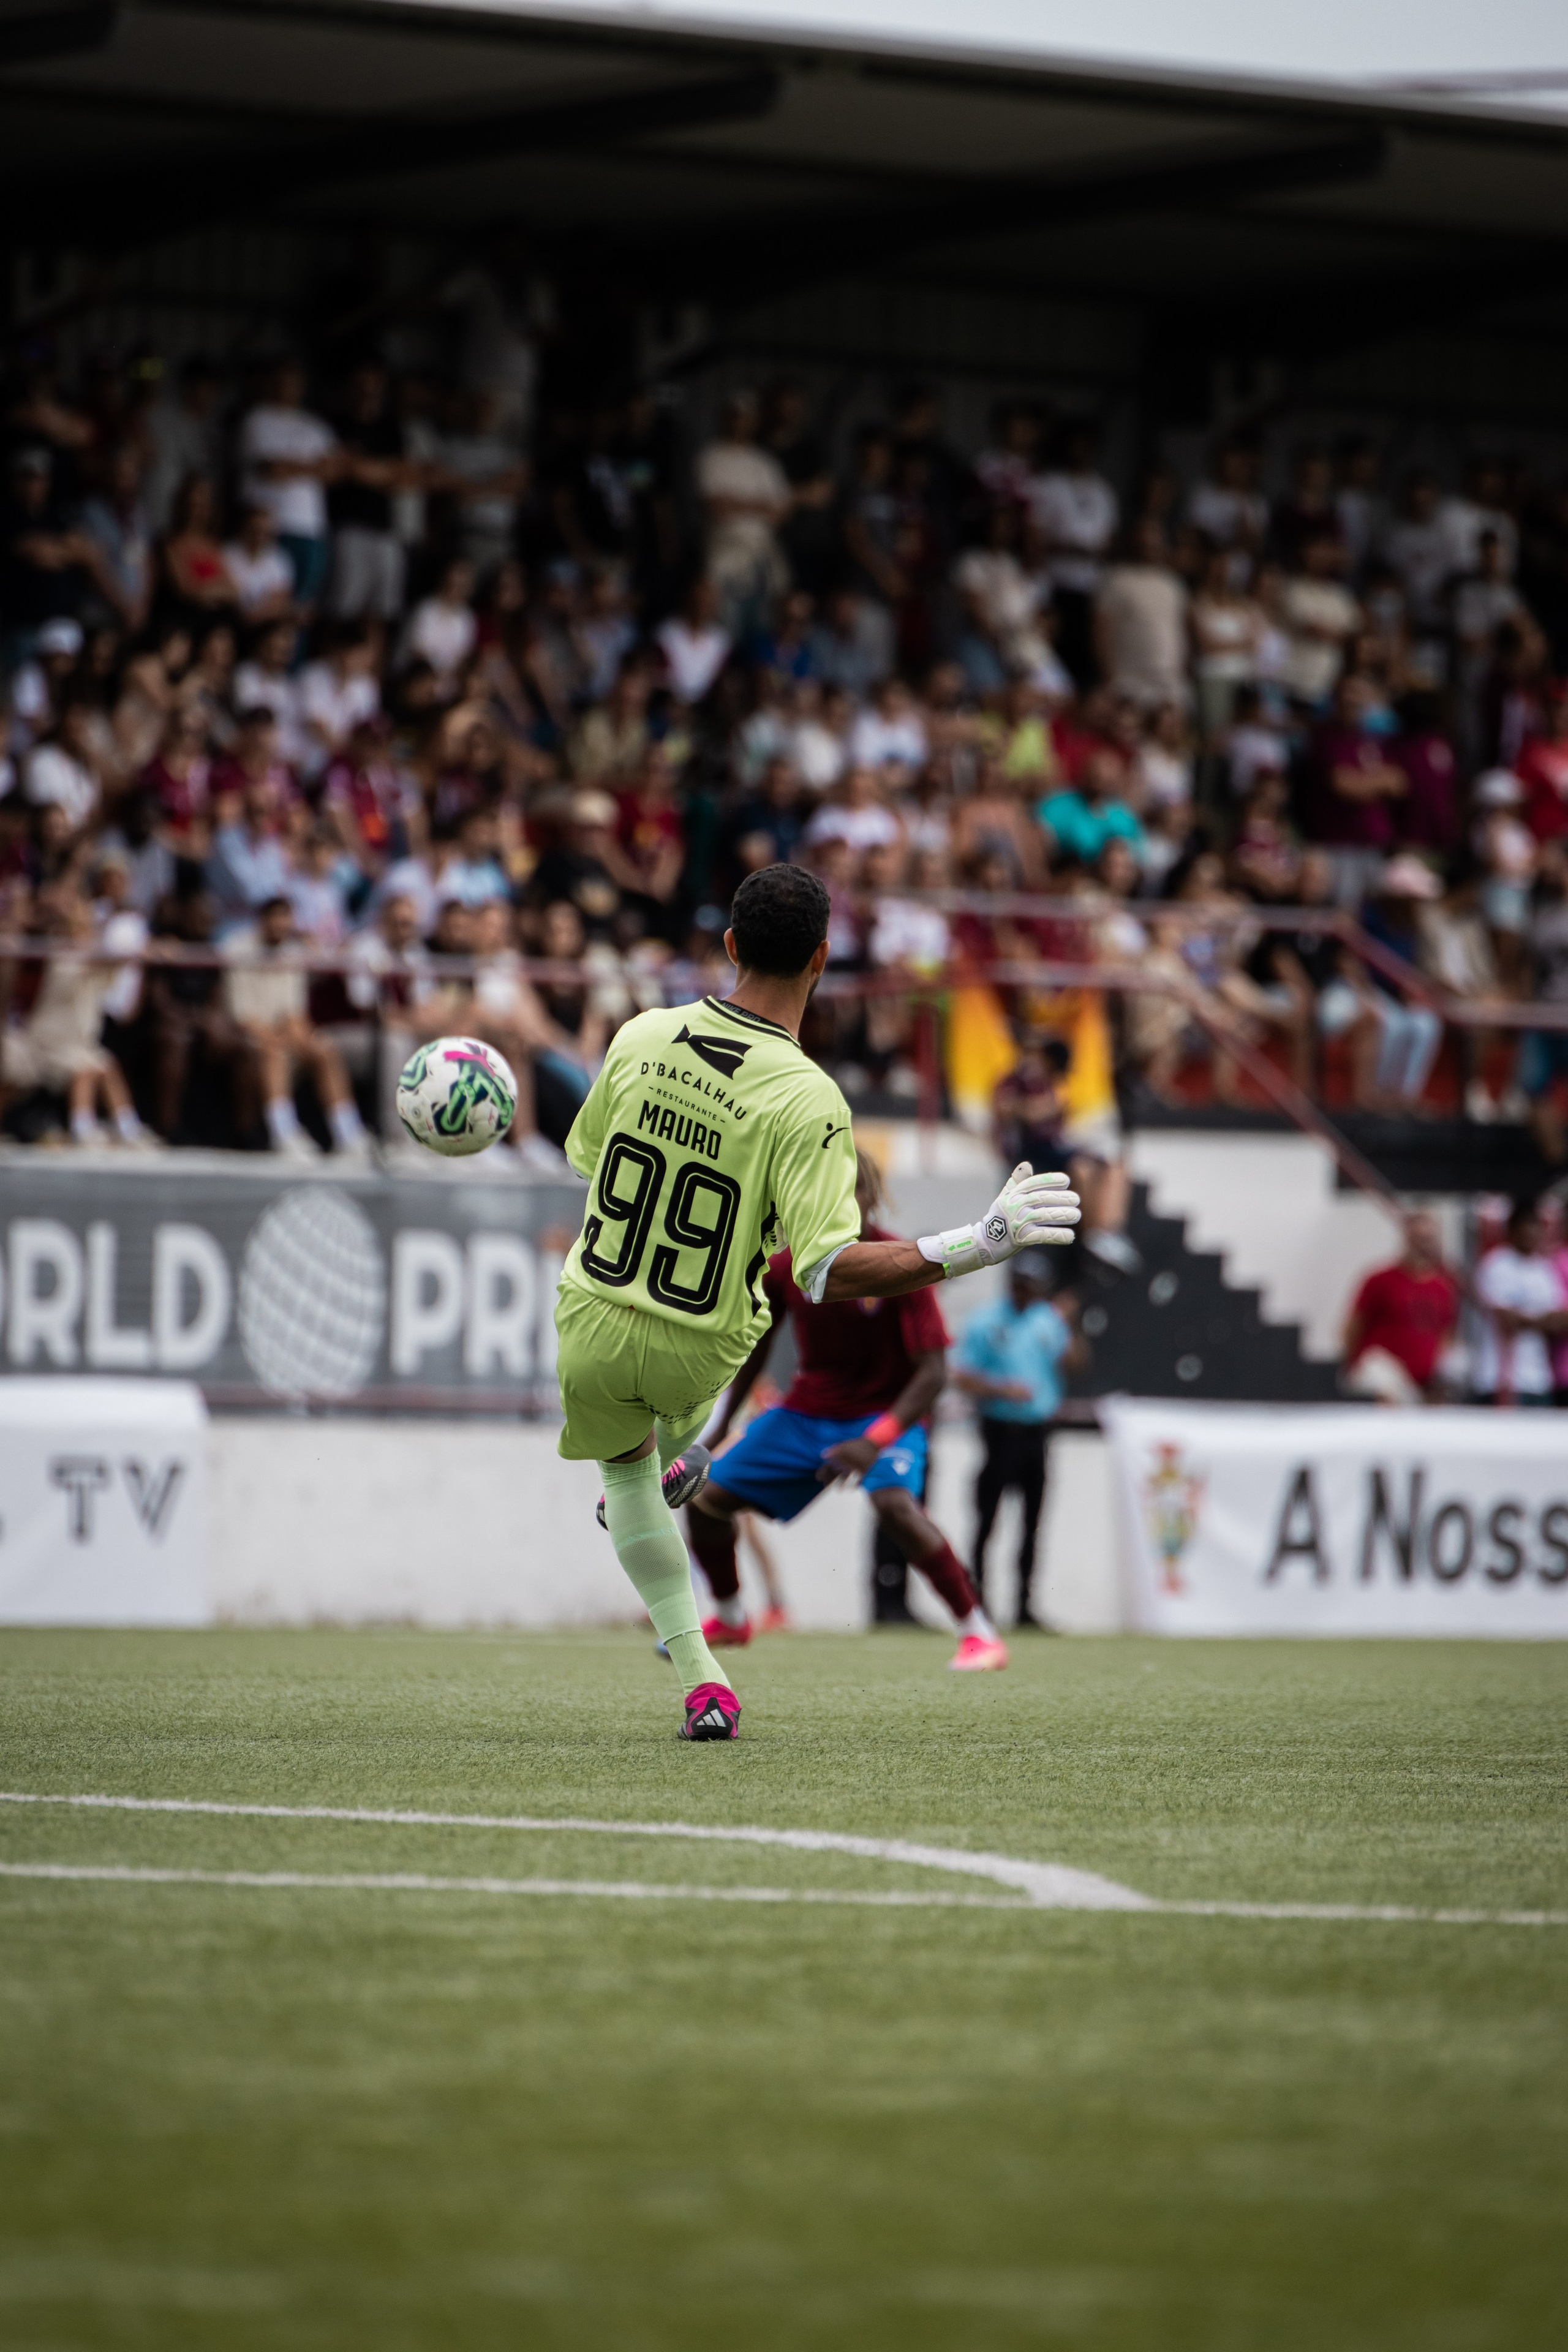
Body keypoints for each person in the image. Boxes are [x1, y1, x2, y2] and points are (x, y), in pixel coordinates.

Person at [554, 862, 1081, 1740]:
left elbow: (589, 1158)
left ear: (728, 946)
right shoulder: (808, 1098)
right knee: (754, 1310)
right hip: (695, 1349)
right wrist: (974, 1243)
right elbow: (829, 1269)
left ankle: (703, 1673)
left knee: (625, 1471)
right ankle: (673, 1463)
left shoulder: (640, 1035)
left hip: (590, 1325)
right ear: (823, 961)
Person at [685, 1149, 1009, 1673]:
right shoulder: (789, 1267)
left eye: (853, 1190)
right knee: (704, 1499)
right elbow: (758, 1347)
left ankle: (978, 1632)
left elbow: (933, 1375)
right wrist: (720, 1429)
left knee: (895, 1507)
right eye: (825, 1191)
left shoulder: (901, 1263)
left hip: (883, 1415)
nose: (840, 1202)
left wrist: (875, 1439)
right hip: (806, 1414)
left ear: (873, 1196)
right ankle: (730, 1614)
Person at [953, 1251, 1085, 1626]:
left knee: (1032, 1522)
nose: (1026, 1292)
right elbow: (962, 1376)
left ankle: (1024, 1605)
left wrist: (1072, 1326)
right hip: (999, 1431)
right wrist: (1000, 1389)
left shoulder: (1049, 1322)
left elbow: (1074, 1365)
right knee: (987, 1520)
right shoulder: (986, 1321)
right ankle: (977, 1603)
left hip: (1036, 1433)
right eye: (1021, 1284)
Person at [1341, 1212, 1460, 1404]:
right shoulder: (1380, 1280)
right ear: (1406, 1240)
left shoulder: (1445, 1287)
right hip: (1387, 1372)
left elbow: (1447, 1335)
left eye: (1428, 1239)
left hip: (1424, 1380)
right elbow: (1354, 1326)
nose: (1423, 1245)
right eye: (1417, 1238)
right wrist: (1350, 1363)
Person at [1472, 1200, 1567, 1407]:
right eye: (1526, 1227)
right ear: (1512, 1231)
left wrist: (1528, 1318)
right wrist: (1544, 1320)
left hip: (1539, 1379)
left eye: (1535, 1227)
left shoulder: (1544, 1269)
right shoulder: (1496, 1265)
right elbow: (1507, 1321)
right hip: (1501, 1379)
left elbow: (1562, 1321)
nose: (1531, 1233)